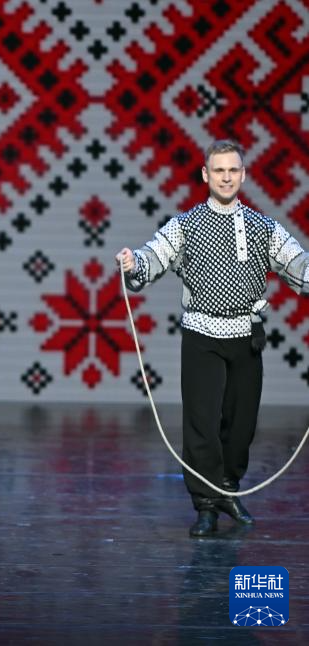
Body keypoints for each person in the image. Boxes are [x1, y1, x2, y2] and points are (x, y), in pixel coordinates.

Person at [116, 139, 309, 537]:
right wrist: (135, 263)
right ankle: (205, 505)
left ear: (243, 174)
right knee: (202, 422)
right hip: (201, 334)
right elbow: (154, 256)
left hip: (246, 335)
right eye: (219, 170)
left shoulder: (262, 227)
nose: (226, 177)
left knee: (241, 425)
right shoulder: (186, 225)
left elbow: (297, 263)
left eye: (232, 170)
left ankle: (228, 488)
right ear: (206, 175)